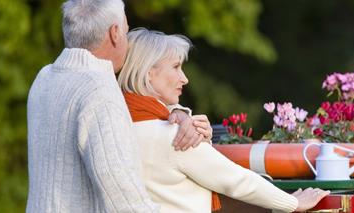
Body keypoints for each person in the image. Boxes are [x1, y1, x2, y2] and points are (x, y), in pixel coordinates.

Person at [117, 28, 330, 213]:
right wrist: (293, 203)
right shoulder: (175, 135)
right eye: (175, 67)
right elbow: (236, 181)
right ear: (148, 74)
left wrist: (180, 113)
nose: (185, 78)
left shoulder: (116, 125)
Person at [26, 0, 207, 212]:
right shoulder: (99, 90)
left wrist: (179, 113)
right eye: (126, 30)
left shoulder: (45, 77)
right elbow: (123, 197)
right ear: (115, 33)